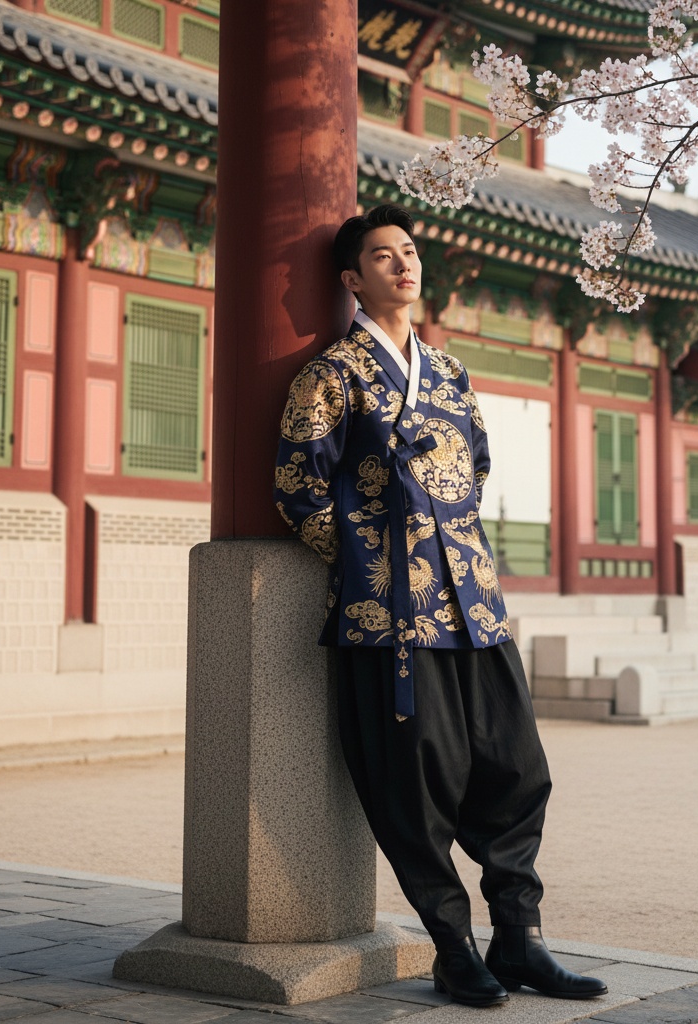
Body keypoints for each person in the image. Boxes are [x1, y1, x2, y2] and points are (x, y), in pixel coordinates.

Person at [273, 204, 607, 1008]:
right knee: (417, 783)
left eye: (411, 252)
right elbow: (297, 487)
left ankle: (520, 939)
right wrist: (367, 565)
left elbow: (476, 468)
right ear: (353, 280)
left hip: (474, 605)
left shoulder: (451, 374)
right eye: (383, 257)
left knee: (517, 770)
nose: (403, 265)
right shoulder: (332, 374)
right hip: (388, 618)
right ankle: (454, 948)